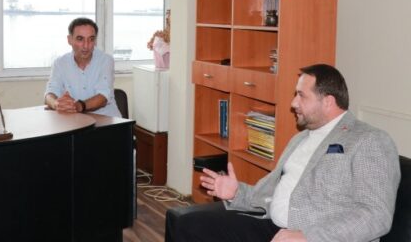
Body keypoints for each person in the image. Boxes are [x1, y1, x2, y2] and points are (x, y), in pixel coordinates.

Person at [166, 64, 400, 242]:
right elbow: (269, 193)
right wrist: (236, 192)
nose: (293, 103)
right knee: (189, 224)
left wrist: (308, 236)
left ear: (328, 102)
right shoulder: (300, 139)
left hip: (317, 236)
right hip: (275, 227)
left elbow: (376, 215)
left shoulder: (369, 140)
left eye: (301, 95)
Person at [45, 17, 121, 117]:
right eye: (80, 39)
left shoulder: (106, 60)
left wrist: (79, 106)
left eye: (91, 39)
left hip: (107, 121)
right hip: (76, 121)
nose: (86, 46)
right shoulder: (60, 63)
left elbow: (103, 97)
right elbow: (50, 93)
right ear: (69, 40)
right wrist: (57, 104)